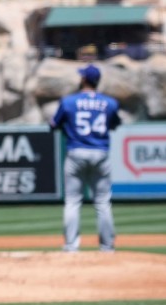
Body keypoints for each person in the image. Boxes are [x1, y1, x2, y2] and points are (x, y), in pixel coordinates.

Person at [50, 64, 120, 252]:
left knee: (73, 202)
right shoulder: (110, 102)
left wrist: (64, 127)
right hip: (100, 153)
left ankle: (71, 247)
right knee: (103, 202)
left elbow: (53, 124)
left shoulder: (68, 101)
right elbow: (114, 124)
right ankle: (107, 248)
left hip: (76, 152)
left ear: (83, 79)